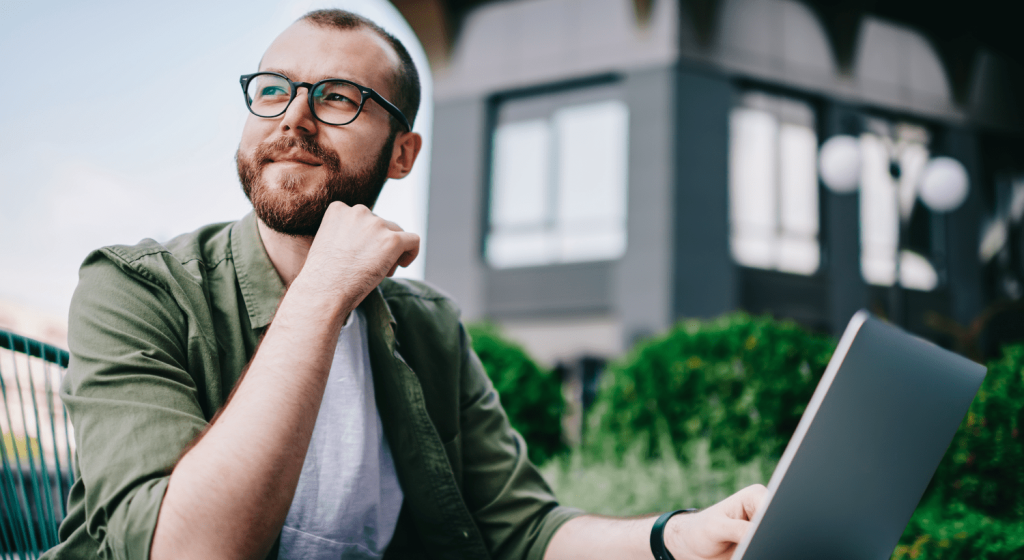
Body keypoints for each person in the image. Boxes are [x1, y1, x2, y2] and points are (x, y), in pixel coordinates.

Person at [45, 9, 765, 560]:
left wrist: (679, 537)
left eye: (337, 98)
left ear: (403, 154)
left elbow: (523, 526)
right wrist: (323, 291)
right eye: (272, 91)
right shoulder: (136, 289)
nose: (293, 117)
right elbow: (189, 550)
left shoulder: (428, 327)